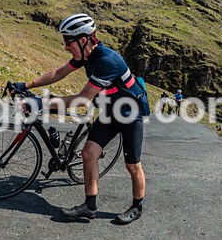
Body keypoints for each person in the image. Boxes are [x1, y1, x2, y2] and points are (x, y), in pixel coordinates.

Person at [11, 13, 147, 224]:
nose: (65, 46)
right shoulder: (86, 55)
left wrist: (41, 103)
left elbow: (83, 99)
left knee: (132, 165)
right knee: (88, 153)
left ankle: (137, 206)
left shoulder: (106, 62)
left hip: (130, 114)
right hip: (111, 112)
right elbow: (59, 72)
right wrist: (28, 85)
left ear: (83, 40)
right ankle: (89, 207)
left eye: (68, 41)